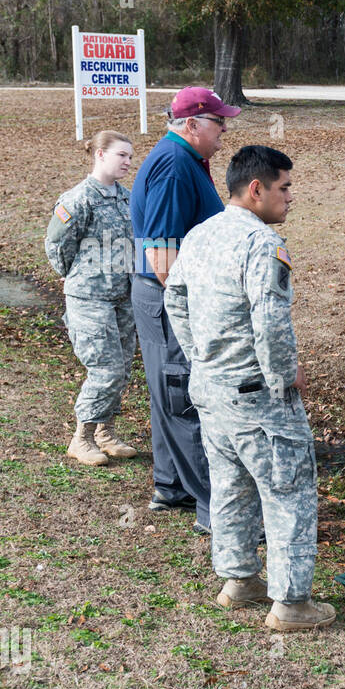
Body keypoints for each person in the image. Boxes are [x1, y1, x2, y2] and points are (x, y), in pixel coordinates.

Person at [163, 145, 335, 632]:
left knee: (231, 486)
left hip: (212, 391)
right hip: (258, 397)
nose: (290, 198)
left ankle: (239, 580)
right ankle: (291, 603)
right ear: (256, 189)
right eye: (284, 188)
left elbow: (173, 297)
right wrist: (284, 375)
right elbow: (270, 320)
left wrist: (202, 356)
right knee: (290, 493)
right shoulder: (262, 244)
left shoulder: (199, 235)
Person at [130, 86, 240, 534]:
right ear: (191, 125)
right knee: (183, 394)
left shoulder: (183, 158)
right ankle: (215, 510)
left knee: (167, 390)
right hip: (165, 296)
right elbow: (162, 255)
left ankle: (171, 484)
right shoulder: (175, 165)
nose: (224, 130)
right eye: (218, 122)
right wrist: (189, 309)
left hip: (157, 297)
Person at [45, 129, 138, 466]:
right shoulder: (77, 199)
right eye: (121, 155)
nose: (129, 161)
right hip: (89, 298)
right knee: (106, 368)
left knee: (123, 367)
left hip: (122, 297)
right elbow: (57, 248)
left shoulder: (127, 198)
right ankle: (81, 437)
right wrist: (82, 276)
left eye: (130, 156)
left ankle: (105, 432)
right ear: (100, 155)